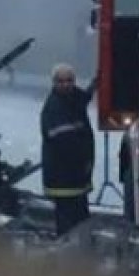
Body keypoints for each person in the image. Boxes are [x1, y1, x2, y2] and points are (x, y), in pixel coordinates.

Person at [40, 63, 97, 237]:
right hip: (62, 177)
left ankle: (80, 251)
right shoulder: (53, 108)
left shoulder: (73, 100)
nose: (65, 84)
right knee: (67, 222)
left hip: (78, 177)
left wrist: (96, 83)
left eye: (69, 80)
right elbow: (63, 141)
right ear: (54, 83)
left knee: (81, 219)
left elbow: (83, 98)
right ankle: (67, 254)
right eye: (61, 81)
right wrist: (82, 158)